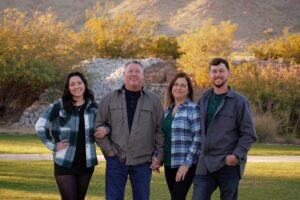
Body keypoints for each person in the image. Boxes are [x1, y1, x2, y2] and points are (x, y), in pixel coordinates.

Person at [94, 60, 164, 200]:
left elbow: (160, 131)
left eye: (137, 71)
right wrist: (109, 151)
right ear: (124, 75)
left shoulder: (154, 101)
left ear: (143, 76)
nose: (134, 74)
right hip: (116, 160)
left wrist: (159, 156)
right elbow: (98, 126)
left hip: (143, 162)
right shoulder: (109, 99)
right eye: (130, 71)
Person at [192, 58, 257, 200]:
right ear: (209, 75)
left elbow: (249, 134)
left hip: (228, 164)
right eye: (214, 71)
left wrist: (235, 156)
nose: (217, 74)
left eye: (221, 71)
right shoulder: (203, 99)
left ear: (228, 74)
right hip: (204, 164)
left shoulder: (239, 101)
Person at [35, 71, 98, 200]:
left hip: (86, 163)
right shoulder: (59, 105)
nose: (76, 87)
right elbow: (40, 126)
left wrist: (105, 129)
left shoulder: (93, 106)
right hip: (64, 162)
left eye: (79, 83)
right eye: (72, 84)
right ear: (68, 88)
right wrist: (52, 145)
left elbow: (105, 125)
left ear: (84, 85)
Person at [162, 72, 201, 200]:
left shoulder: (193, 109)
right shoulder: (168, 110)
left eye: (183, 85)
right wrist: (158, 158)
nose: (178, 88)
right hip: (169, 163)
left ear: (188, 90)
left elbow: (198, 138)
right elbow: (165, 137)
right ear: (171, 87)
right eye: (176, 84)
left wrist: (186, 164)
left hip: (185, 164)